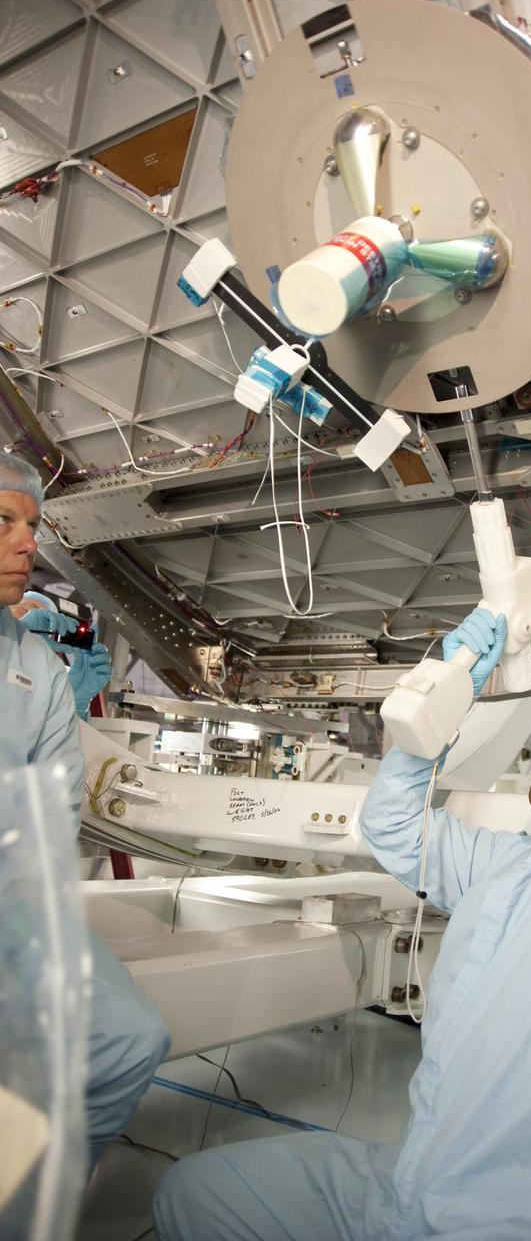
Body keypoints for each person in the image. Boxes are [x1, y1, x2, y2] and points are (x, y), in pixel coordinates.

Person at [154, 412, 531, 1241]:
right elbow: (393, 828)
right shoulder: (501, 863)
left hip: (519, 1218)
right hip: (403, 1183)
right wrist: (439, 694)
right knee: (196, 1193)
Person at [0, 453, 170, 1169]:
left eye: (32, 526)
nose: (25, 543)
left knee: (130, 1036)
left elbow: (53, 809)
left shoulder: (34, 668)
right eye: (5, 522)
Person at [10, 589, 114, 718]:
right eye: (26, 606)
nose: (30, 611)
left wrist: (74, 704)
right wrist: (16, 633)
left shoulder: (51, 681)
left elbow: (54, 734)